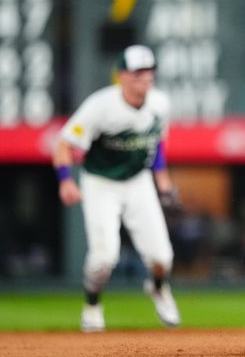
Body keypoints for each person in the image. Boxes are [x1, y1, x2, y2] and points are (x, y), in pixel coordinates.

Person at [53, 44, 181, 332]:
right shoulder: (100, 106)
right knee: (103, 257)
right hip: (100, 182)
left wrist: (163, 182)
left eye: (149, 71)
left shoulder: (160, 104)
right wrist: (65, 179)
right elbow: (63, 144)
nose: (145, 77)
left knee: (162, 258)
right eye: (138, 72)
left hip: (137, 181)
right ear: (121, 75)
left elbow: (156, 143)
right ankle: (92, 306)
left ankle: (158, 289)